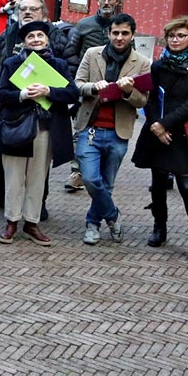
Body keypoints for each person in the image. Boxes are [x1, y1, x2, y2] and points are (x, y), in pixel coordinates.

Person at [0, 0, 73, 214]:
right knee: (4, 153)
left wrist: (53, 92)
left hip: (44, 112)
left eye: (33, 9)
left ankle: (38, 204)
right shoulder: (8, 35)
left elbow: (71, 71)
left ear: (44, 14)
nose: (27, 12)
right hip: (9, 108)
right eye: (23, 9)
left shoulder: (57, 39)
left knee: (40, 163)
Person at [131, 16, 188, 266]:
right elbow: (152, 97)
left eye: (181, 36)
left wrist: (166, 124)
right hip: (158, 132)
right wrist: (156, 125)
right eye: (171, 36)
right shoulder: (159, 65)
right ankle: (160, 228)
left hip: (183, 133)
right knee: (157, 184)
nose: (175, 40)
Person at [0, 21, 78, 246]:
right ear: (24, 42)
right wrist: (22, 94)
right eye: (31, 37)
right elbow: (0, 93)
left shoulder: (58, 64)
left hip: (45, 128)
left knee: (38, 178)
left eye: (40, 35)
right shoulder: (12, 63)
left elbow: (72, 92)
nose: (36, 39)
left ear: (47, 39)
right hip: (16, 126)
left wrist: (49, 91)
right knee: (14, 178)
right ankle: (12, 220)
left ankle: (31, 222)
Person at [73, 13, 150, 245]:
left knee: (107, 183)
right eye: (115, 33)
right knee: (90, 178)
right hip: (91, 127)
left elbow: (143, 101)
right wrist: (92, 87)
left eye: (125, 33)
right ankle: (113, 215)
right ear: (108, 33)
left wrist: (127, 91)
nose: (119, 37)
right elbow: (77, 83)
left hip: (119, 131)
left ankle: (92, 225)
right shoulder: (92, 54)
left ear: (132, 35)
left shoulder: (142, 62)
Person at [64, 0, 124, 192]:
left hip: (113, 88)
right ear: (97, 0)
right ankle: (78, 171)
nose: (106, 2)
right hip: (87, 85)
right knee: (81, 127)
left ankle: (97, 170)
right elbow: (70, 51)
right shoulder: (84, 24)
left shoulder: (122, 27)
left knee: (108, 129)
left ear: (117, 2)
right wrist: (78, 73)